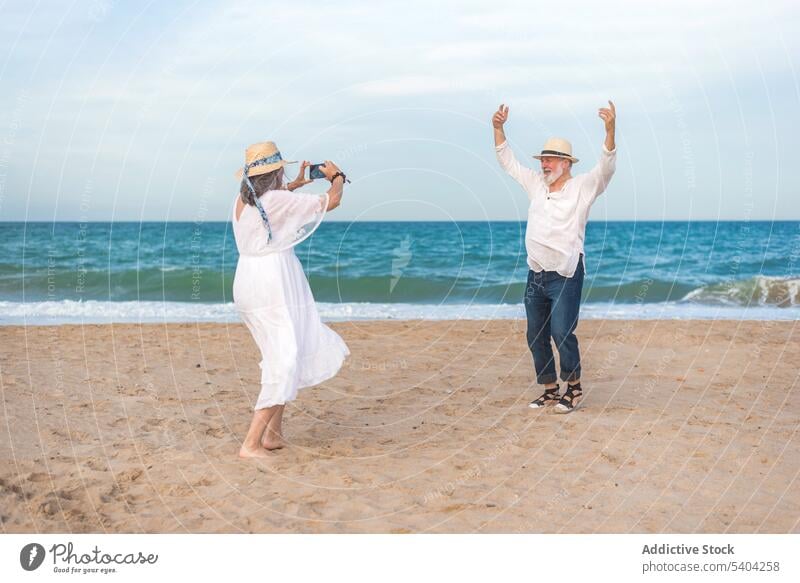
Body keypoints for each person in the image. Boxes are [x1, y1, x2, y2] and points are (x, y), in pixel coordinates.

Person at [492, 101, 617, 413]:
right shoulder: (536, 184)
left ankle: (573, 388)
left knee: (562, 331)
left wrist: (610, 130)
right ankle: (549, 389)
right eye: (543, 159)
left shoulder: (582, 187)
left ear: (566, 164)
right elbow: (508, 162)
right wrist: (498, 128)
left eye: (550, 160)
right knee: (536, 334)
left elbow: (606, 167)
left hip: (566, 273)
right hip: (536, 273)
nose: (544, 164)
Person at [232, 141, 350, 458]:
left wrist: (298, 183)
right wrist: (336, 175)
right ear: (275, 172)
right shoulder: (277, 201)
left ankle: (273, 435)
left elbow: (274, 204)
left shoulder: (244, 201)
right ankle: (251, 443)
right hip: (273, 281)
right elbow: (333, 201)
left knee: (283, 351)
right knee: (284, 358)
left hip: (248, 280)